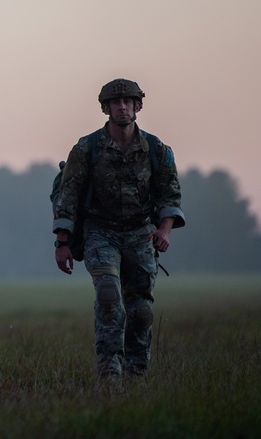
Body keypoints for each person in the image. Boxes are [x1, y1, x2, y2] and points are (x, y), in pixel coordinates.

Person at [52, 78, 185, 381]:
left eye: (128, 101)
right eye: (116, 102)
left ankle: (135, 372)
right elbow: (68, 196)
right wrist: (62, 243)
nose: (122, 106)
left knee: (140, 309)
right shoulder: (86, 148)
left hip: (141, 233)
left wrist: (164, 231)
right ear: (106, 108)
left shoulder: (157, 149)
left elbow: (170, 195)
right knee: (110, 296)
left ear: (138, 106)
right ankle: (109, 370)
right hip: (101, 232)